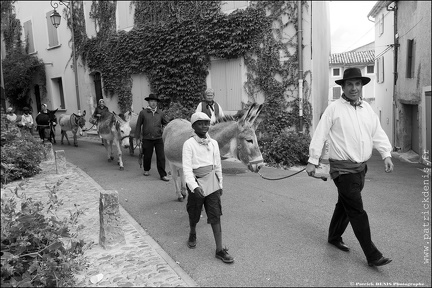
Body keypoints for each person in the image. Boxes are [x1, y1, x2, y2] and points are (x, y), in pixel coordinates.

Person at [305, 67, 394, 267]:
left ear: (361, 86)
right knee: (356, 210)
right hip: (342, 171)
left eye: (357, 84)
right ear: (343, 87)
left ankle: (334, 236)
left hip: (361, 169)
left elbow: (377, 133)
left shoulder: (367, 109)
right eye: (350, 84)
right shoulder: (334, 109)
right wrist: (313, 160)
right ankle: (372, 255)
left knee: (344, 205)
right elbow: (320, 133)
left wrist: (386, 154)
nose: (354, 88)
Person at [182, 111, 234, 264]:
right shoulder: (188, 144)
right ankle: (192, 232)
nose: (204, 126)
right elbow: (187, 169)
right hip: (196, 182)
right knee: (194, 212)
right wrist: (194, 186)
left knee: (215, 214)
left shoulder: (213, 143)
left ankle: (219, 250)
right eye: (200, 123)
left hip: (212, 182)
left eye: (207, 123)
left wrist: (220, 184)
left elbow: (217, 165)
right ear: (193, 126)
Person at [134, 93, 170, 181]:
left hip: (158, 138)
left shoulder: (160, 113)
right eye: (151, 101)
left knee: (161, 157)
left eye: (154, 101)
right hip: (147, 138)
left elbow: (166, 123)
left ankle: (163, 174)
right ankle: (146, 169)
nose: (153, 103)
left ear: (157, 103)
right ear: (148, 102)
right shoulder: (143, 113)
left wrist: (167, 127)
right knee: (147, 156)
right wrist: (137, 138)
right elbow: (138, 125)